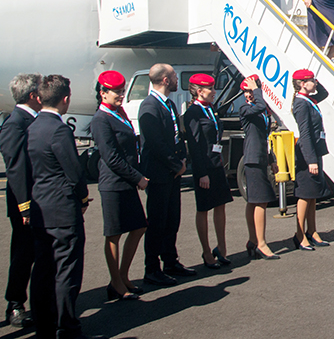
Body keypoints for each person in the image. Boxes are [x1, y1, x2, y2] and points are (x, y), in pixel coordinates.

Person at [27, 75, 96, 339]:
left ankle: (44, 324)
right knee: (66, 271)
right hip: (62, 210)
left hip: (40, 206)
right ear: (65, 99)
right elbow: (74, 171)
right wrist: (81, 198)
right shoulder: (59, 130)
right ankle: (66, 325)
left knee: (43, 269)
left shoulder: (32, 127)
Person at [90, 71, 148, 301]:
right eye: (117, 92)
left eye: (122, 91)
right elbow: (111, 157)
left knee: (139, 227)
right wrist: (138, 178)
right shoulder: (100, 119)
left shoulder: (118, 112)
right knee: (114, 234)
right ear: (103, 93)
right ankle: (115, 282)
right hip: (113, 184)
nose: (121, 95)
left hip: (126, 182)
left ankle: (122, 275)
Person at [138, 63, 195, 286]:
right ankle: (151, 268)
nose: (176, 80)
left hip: (173, 173)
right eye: (173, 76)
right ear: (165, 80)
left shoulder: (169, 104)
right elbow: (156, 143)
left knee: (172, 220)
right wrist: (175, 165)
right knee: (157, 223)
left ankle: (170, 261)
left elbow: (175, 135)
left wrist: (182, 160)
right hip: (160, 174)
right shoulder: (149, 107)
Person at [0, 73, 40, 328]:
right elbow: (15, 167)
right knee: (24, 255)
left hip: (38, 199)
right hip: (25, 203)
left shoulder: (31, 119)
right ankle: (15, 303)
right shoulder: (16, 123)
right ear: (33, 95)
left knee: (37, 253)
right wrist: (24, 205)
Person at [183, 74, 233, 269]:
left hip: (216, 163)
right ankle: (206, 251)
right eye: (209, 89)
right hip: (203, 167)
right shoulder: (193, 113)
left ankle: (221, 248)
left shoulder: (210, 109)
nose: (214, 92)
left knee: (221, 205)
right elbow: (194, 146)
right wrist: (201, 172)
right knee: (203, 209)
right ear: (198, 91)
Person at [238, 75, 279, 260]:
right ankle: (261, 243)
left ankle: (253, 240)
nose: (249, 94)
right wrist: (257, 91)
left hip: (261, 156)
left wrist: (272, 159)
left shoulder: (261, 111)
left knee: (255, 201)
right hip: (252, 159)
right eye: (246, 91)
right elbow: (261, 105)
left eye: (251, 90)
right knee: (260, 201)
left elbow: (264, 136)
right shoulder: (246, 108)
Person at [291, 69, 331, 251]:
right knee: (305, 195)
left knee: (313, 194)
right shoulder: (301, 103)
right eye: (311, 81)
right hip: (308, 154)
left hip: (315, 151)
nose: (314, 83)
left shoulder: (310, 100)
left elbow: (324, 93)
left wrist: (316, 80)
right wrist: (310, 160)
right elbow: (305, 134)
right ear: (301, 84)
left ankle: (312, 231)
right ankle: (300, 235)